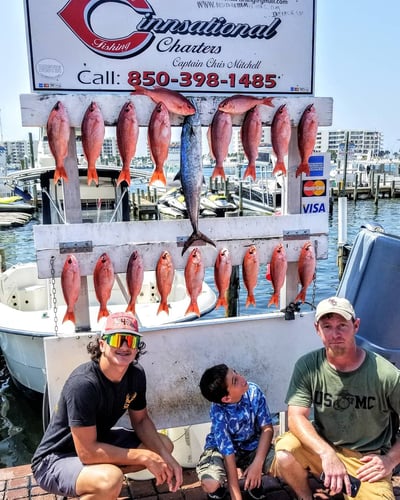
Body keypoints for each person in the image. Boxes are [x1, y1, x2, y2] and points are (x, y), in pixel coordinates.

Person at [31, 312, 182, 499]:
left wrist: (165, 458)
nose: (124, 346)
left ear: (137, 348)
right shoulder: (84, 384)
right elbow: (87, 453)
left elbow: (141, 420)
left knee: (163, 446)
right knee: (110, 480)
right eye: (117, 339)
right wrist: (143, 457)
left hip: (97, 442)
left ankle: (96, 483)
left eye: (131, 340)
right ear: (102, 344)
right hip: (55, 459)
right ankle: (98, 484)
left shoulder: (135, 374)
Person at [272, 296, 400, 499]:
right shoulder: (308, 366)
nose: (335, 333)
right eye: (327, 326)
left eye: (342, 325)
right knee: (284, 454)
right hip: (324, 446)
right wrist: (326, 453)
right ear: (317, 329)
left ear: (356, 326)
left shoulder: (386, 374)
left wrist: (391, 460)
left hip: (365, 460)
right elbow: (296, 417)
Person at [196, 364, 275, 500]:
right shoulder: (218, 412)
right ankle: (217, 490)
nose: (241, 378)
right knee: (210, 482)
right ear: (226, 398)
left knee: (283, 462)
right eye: (234, 381)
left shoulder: (254, 392)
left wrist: (257, 464)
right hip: (221, 450)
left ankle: (253, 482)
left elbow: (267, 429)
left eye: (235, 373)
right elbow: (228, 456)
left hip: (252, 445)